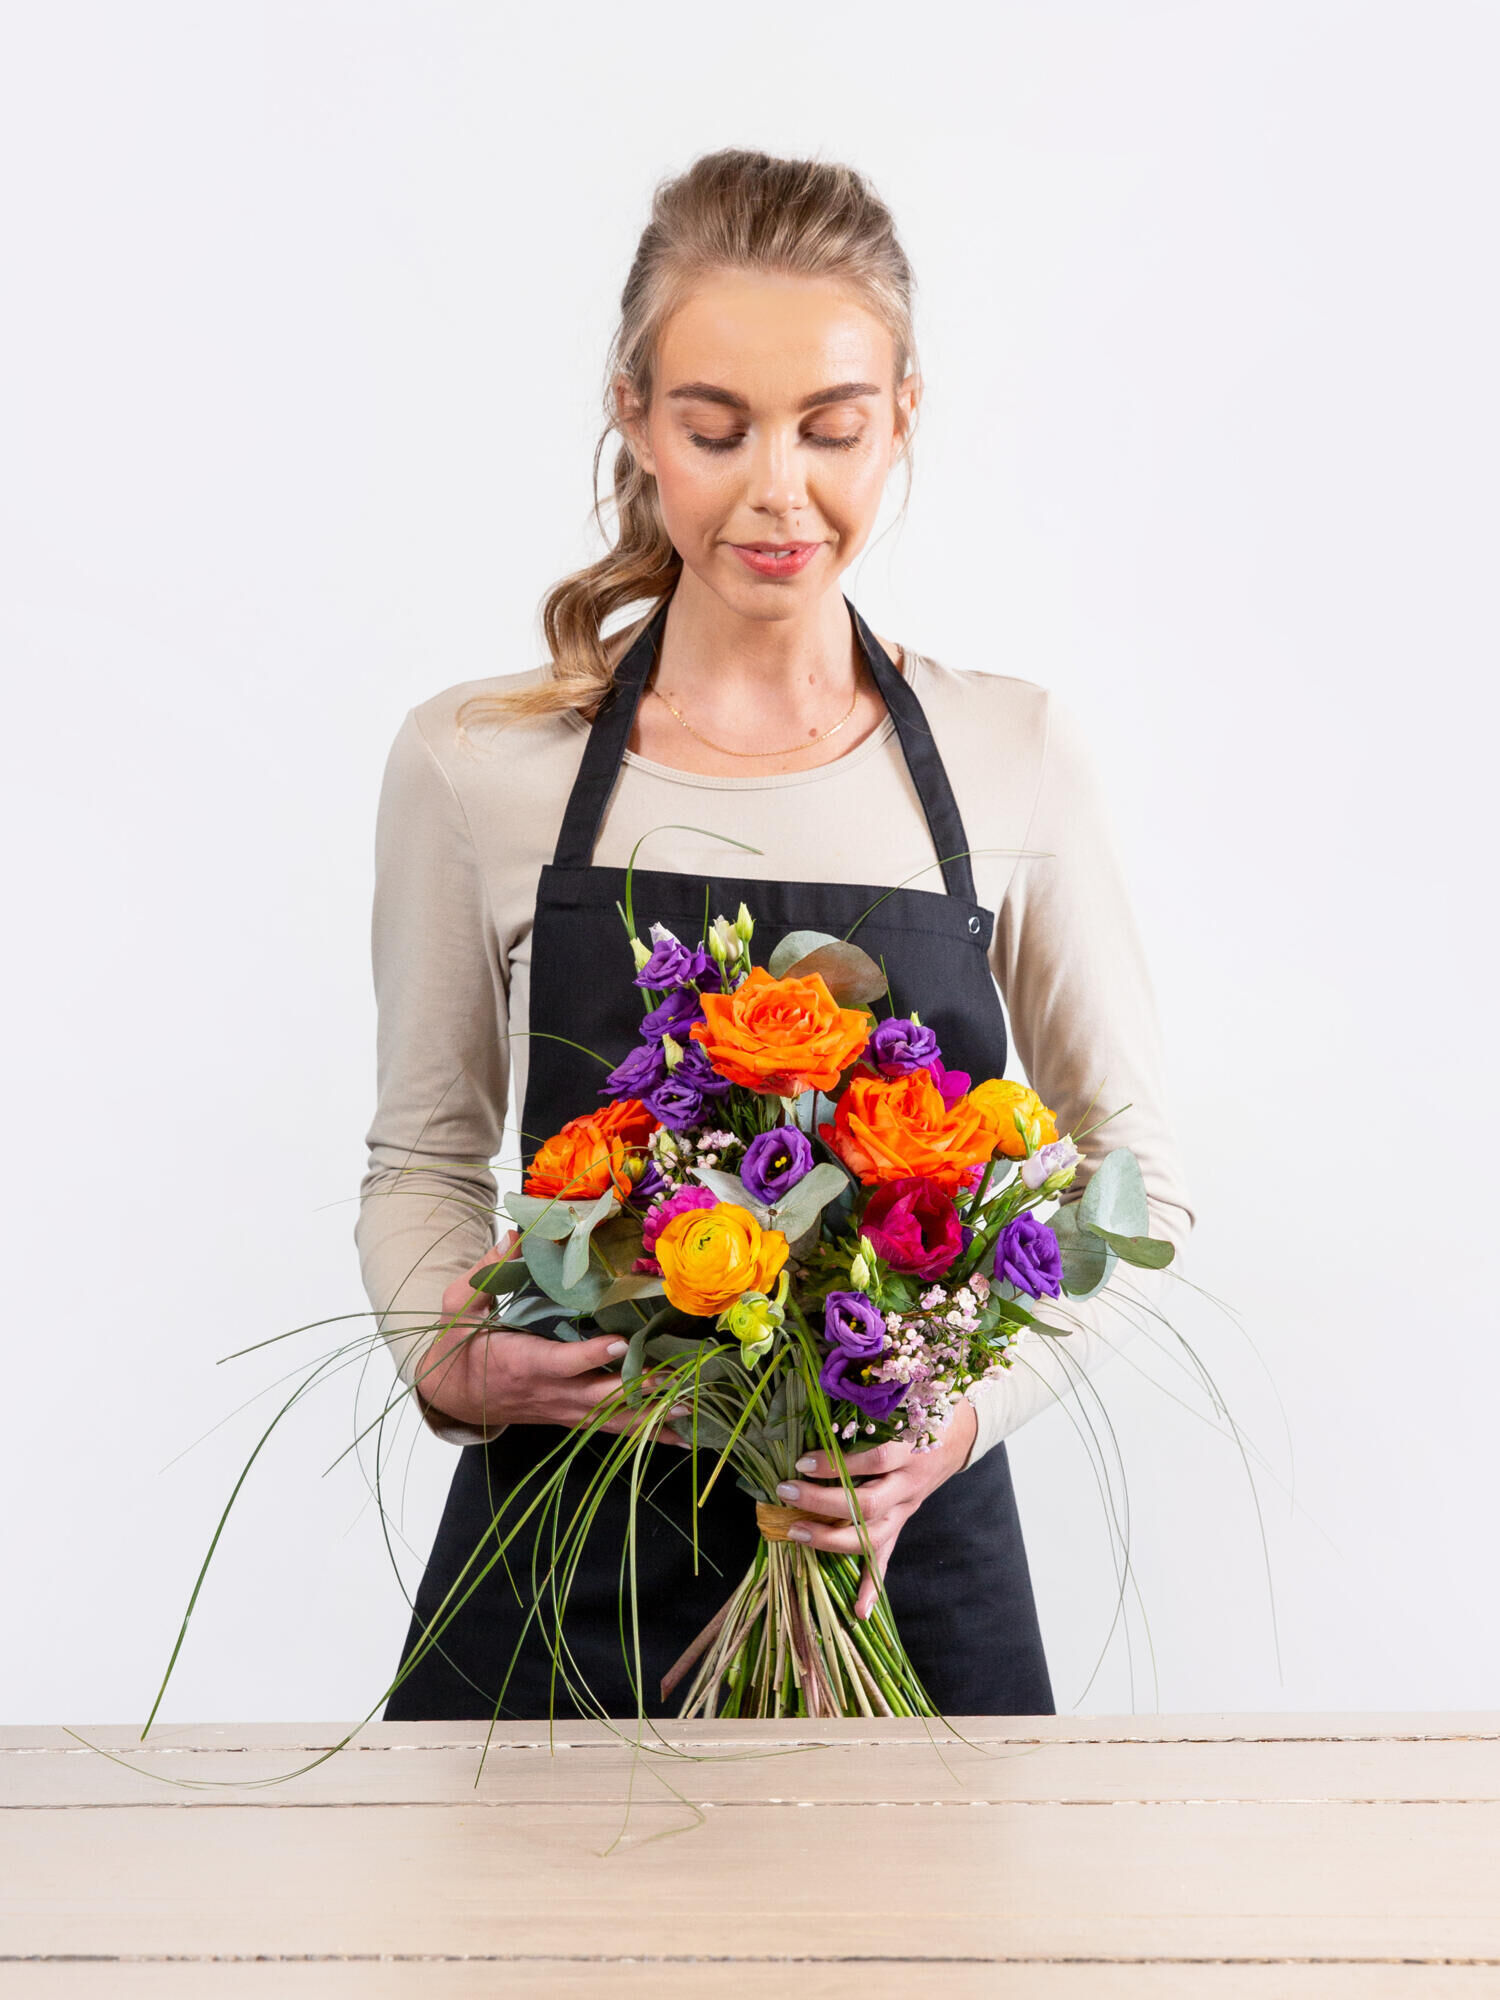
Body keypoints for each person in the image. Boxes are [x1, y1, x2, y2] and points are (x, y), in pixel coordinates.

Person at [356, 148, 1193, 1721]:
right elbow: (419, 1156)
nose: (777, 490)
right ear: (634, 415)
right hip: (564, 1560)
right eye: (715, 428)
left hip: (898, 1566)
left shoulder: (1015, 757)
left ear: (903, 417)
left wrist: (955, 1420)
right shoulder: (476, 768)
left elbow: (1136, 1169)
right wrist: (448, 1359)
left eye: (832, 427)